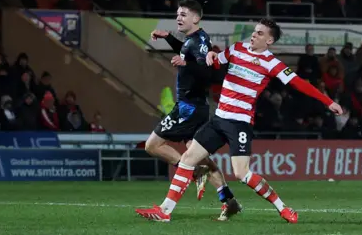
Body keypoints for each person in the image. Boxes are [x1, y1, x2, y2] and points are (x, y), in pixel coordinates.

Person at [139, 18, 343, 223]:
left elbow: (299, 84)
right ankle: (165, 211)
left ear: (269, 41)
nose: (254, 35)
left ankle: (283, 207)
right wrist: (210, 55)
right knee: (187, 159)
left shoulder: (272, 63)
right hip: (218, 119)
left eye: (260, 33)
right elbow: (215, 61)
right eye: (255, 31)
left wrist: (328, 102)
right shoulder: (237, 49)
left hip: (239, 124)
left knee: (242, 174)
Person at [135, 0, 241, 222]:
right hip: (195, 107)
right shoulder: (192, 41)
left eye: (183, 14)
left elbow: (208, 72)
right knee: (199, 155)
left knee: (153, 145)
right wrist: (169, 38)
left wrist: (187, 66)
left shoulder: (200, 41)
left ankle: (189, 177)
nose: (178, 18)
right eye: (177, 14)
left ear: (196, 18)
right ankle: (228, 200)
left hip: (188, 109)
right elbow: (188, 55)